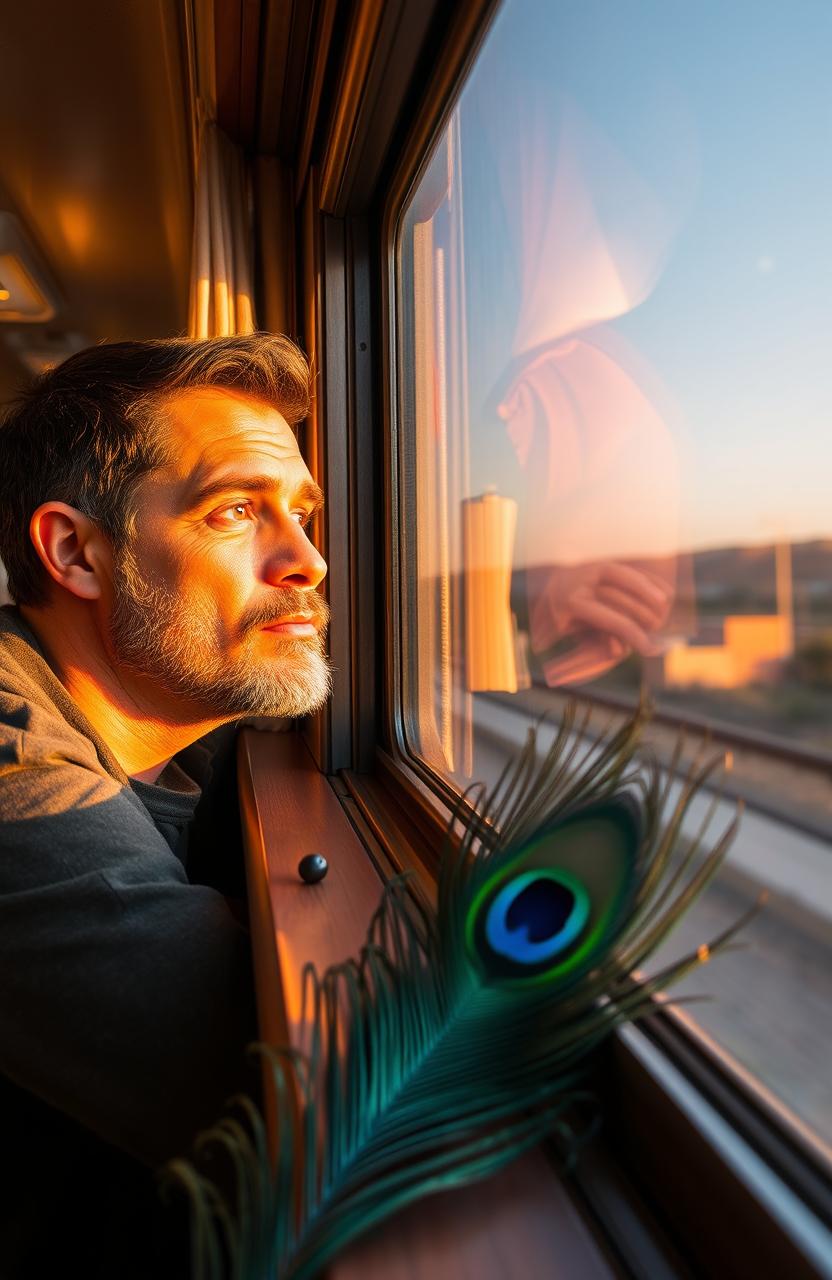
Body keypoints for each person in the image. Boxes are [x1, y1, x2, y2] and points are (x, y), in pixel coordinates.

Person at [0, 334, 331, 1277]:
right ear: (76, 552)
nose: (306, 560)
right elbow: (297, 1108)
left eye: (302, 515)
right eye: (235, 511)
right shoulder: (14, 765)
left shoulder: (195, 728)